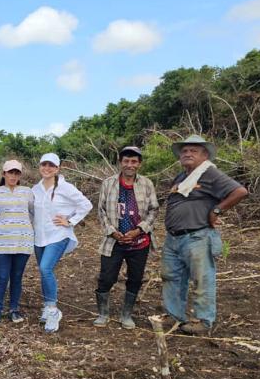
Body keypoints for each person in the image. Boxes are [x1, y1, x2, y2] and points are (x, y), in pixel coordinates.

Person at [162, 135, 248, 335]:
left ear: (205, 155)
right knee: (171, 277)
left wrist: (217, 210)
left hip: (197, 236)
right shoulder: (181, 177)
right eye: (184, 151)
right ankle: (174, 316)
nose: (187, 153)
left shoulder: (209, 173)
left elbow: (240, 191)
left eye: (193, 150)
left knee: (202, 278)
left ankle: (203, 320)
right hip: (173, 237)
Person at [94, 146, 159, 329]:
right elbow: (101, 211)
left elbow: (154, 210)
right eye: (126, 161)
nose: (130, 165)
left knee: (135, 278)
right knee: (106, 277)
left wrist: (139, 230)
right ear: (120, 162)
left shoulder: (146, 184)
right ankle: (103, 313)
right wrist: (113, 232)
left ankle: (126, 314)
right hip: (114, 240)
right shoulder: (108, 183)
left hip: (139, 241)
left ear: (139, 164)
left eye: (134, 161)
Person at [32, 153, 92, 334]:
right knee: (43, 271)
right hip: (39, 237)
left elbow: (86, 204)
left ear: (58, 168)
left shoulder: (65, 187)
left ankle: (53, 310)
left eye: (51, 165)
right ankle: (46, 305)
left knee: (45, 268)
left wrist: (71, 221)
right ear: (40, 166)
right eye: (44, 164)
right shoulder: (35, 189)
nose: (47, 168)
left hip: (58, 235)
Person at [0, 160, 34, 327]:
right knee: (2, 277)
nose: (13, 176)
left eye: (17, 173)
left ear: (20, 175)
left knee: (16, 277)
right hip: (1, 243)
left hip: (23, 242)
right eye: (10, 172)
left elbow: (34, 212)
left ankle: (14, 310)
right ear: (4, 174)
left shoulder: (27, 192)